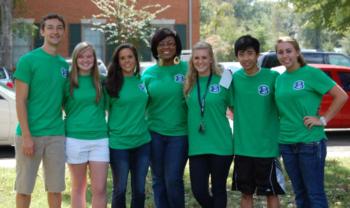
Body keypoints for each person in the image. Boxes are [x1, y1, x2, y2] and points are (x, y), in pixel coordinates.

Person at [275, 36, 348, 208]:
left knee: (314, 194)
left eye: (288, 51)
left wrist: (323, 119)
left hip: (310, 142)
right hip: (286, 143)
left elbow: (341, 95)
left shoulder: (311, 73)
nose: (285, 55)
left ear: (297, 52)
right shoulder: (280, 79)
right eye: (280, 52)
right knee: (299, 193)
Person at [14, 13, 69, 208]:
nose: (55, 31)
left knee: (55, 189)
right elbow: (20, 100)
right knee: (24, 189)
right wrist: (27, 136)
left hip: (56, 134)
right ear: (43, 31)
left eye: (59, 28)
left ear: (63, 32)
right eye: (51, 27)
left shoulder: (64, 65)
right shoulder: (29, 60)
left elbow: (64, 101)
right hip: (31, 134)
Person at [231, 35, 285, 208]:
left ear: (258, 54)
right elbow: (218, 100)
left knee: (272, 193)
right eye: (241, 54)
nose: (246, 58)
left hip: (267, 148)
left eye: (250, 53)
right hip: (242, 147)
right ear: (237, 57)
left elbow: (287, 102)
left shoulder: (273, 77)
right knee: (246, 194)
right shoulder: (232, 78)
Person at [142, 28, 188, 208]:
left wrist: (224, 75)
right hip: (154, 134)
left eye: (170, 43)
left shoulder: (187, 69)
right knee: (158, 179)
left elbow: (210, 78)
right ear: (155, 48)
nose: (166, 47)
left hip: (180, 134)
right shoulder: (148, 74)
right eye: (161, 44)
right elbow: (140, 103)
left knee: (173, 179)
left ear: (177, 46)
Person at [184, 41, 233, 208]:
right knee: (199, 191)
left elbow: (237, 109)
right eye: (196, 58)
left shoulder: (224, 80)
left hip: (221, 144)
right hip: (197, 145)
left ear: (211, 59)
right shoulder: (189, 83)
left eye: (204, 57)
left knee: (219, 189)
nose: (200, 61)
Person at [105, 43, 151, 208]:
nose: (127, 61)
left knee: (139, 190)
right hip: (119, 144)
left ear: (136, 59)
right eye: (122, 58)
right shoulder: (110, 84)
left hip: (142, 143)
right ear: (118, 61)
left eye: (130, 57)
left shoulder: (141, 80)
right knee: (120, 189)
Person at [64, 42, 108, 208]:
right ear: (75, 59)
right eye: (81, 56)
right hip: (75, 139)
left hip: (100, 140)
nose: (85, 60)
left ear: (95, 59)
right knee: (78, 187)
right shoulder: (67, 82)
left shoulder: (102, 81)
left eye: (89, 56)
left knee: (100, 188)